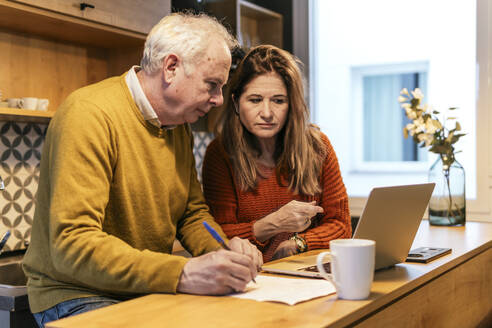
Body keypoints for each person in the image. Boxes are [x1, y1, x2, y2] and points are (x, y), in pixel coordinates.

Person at [22, 12, 262, 327]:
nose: (218, 100)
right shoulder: (89, 114)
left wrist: (226, 249)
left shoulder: (178, 126)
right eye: (212, 85)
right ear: (171, 67)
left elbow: (192, 216)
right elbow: (73, 244)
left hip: (141, 290)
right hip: (76, 295)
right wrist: (183, 272)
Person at [202, 45, 352, 263]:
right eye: (255, 100)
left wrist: (298, 244)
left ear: (292, 105)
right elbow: (218, 236)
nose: (266, 113)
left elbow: (341, 225)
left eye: (278, 101)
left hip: (310, 275)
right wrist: (272, 223)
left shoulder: (318, 147)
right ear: (235, 102)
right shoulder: (220, 154)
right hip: (251, 279)